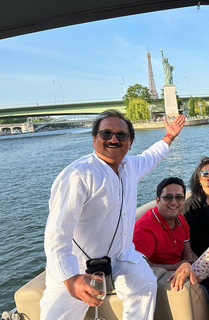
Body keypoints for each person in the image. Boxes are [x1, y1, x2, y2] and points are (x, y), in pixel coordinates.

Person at [40, 109, 185, 320]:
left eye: (121, 135)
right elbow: (57, 233)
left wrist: (169, 137)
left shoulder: (130, 166)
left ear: (130, 141)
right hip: (77, 264)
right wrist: (70, 278)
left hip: (120, 257)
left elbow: (152, 156)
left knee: (144, 283)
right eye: (106, 134)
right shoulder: (79, 175)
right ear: (94, 139)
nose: (113, 139)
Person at [133, 177, 196, 274]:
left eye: (179, 197)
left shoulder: (181, 220)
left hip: (179, 268)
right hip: (156, 275)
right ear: (158, 200)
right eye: (168, 197)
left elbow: (187, 251)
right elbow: (140, 264)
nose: (174, 202)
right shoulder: (145, 227)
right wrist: (175, 266)